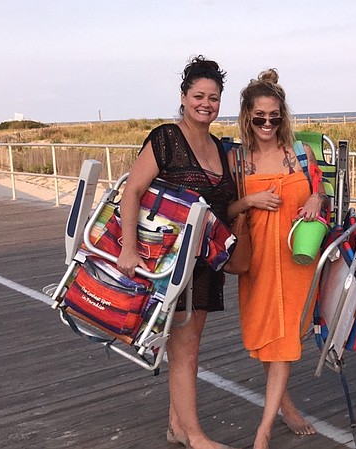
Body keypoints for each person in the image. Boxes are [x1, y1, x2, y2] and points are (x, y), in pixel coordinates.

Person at [117, 56, 238, 449]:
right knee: (183, 349)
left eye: (214, 98)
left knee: (188, 345)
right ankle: (196, 436)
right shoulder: (167, 138)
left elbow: (223, 205)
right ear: (184, 97)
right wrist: (129, 249)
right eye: (199, 95)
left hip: (204, 263)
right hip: (169, 262)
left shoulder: (220, 147)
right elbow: (132, 191)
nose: (206, 103)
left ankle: (176, 426)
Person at [228, 68, 327, 449]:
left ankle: (263, 430)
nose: (267, 123)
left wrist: (317, 198)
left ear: (282, 116)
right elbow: (227, 208)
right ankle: (285, 406)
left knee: (285, 340)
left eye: (274, 116)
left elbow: (322, 194)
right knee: (267, 337)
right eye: (259, 117)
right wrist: (250, 200)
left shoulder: (301, 154)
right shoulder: (237, 161)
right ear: (247, 116)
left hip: (296, 259)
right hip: (258, 263)